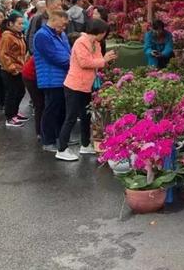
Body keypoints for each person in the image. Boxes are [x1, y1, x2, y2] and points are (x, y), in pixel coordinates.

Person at [57, 19, 117, 161]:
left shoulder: (95, 43)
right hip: (74, 85)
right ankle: (61, 149)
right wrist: (104, 59)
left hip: (86, 86)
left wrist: (106, 60)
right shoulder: (81, 42)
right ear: (100, 32)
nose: (104, 36)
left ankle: (85, 145)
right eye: (104, 33)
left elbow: (97, 61)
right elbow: (85, 63)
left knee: (86, 116)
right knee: (71, 117)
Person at [33, 10, 71, 152]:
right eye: (62, 24)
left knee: (61, 109)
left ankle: (60, 137)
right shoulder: (42, 35)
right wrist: (74, 62)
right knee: (51, 109)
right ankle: (48, 141)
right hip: (50, 79)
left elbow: (68, 52)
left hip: (61, 77)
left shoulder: (59, 34)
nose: (64, 27)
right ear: (54, 20)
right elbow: (54, 57)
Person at [0, 14, 27, 127]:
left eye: (22, 23)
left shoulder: (18, 35)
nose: (22, 26)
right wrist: (12, 68)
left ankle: (14, 113)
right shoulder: (7, 36)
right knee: (12, 93)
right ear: (10, 24)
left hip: (19, 69)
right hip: (9, 71)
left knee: (20, 92)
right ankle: (10, 117)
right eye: (19, 23)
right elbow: (2, 54)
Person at [22, 54, 44, 143]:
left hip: (34, 75)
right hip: (31, 77)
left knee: (41, 104)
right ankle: (40, 132)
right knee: (39, 104)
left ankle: (41, 131)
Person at [0, 9, 5, 111]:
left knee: (4, 82)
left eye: (1, 17)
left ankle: (3, 101)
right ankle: (1, 102)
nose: (0, 19)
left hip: (3, 59)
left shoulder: (5, 29)